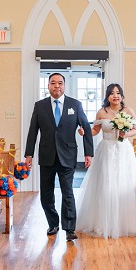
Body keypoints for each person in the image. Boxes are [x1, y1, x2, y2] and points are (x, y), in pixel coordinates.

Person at [24, 73, 94, 241]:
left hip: (67, 156)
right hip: (47, 156)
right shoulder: (40, 106)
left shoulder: (75, 105)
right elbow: (33, 131)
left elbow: (85, 128)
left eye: (60, 83)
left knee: (67, 192)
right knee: (46, 195)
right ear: (48, 86)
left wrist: (88, 153)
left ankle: (69, 228)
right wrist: (29, 154)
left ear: (64, 86)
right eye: (53, 83)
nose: (57, 86)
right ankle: (53, 223)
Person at [75, 84, 136, 239]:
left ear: (122, 95)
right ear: (107, 96)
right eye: (112, 93)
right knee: (105, 183)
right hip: (106, 150)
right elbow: (95, 131)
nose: (115, 96)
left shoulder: (128, 111)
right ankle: (102, 223)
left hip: (123, 151)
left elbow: (135, 130)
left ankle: (126, 223)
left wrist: (126, 134)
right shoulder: (102, 112)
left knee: (123, 182)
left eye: (118, 93)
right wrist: (84, 132)